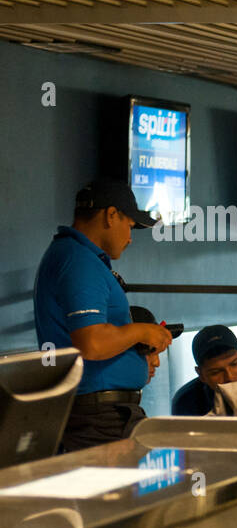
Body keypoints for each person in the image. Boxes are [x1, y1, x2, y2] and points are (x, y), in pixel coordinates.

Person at [33, 179, 174, 451]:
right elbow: (92, 342)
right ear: (111, 216)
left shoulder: (77, 257)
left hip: (107, 415)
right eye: (130, 226)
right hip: (99, 419)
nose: (131, 238)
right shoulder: (78, 261)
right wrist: (143, 331)